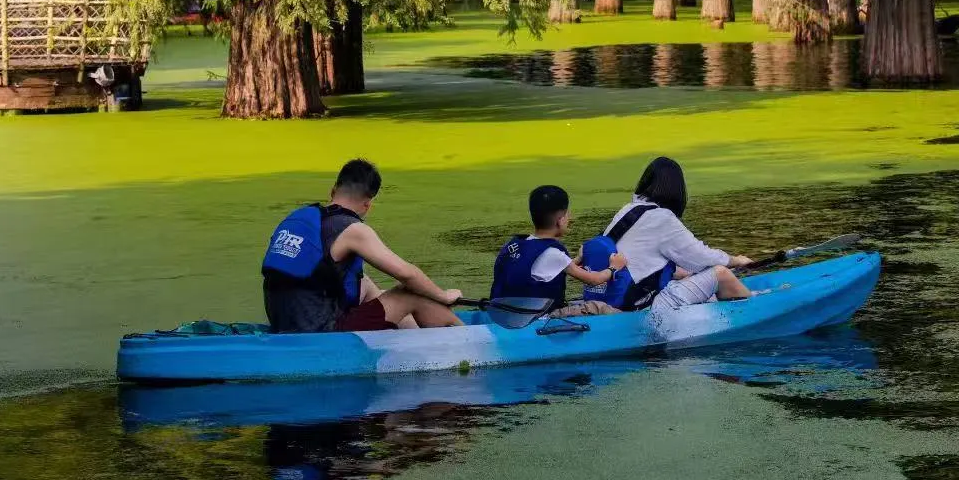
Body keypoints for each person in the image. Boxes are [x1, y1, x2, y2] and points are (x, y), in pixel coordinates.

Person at [262, 158, 463, 334]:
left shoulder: (305, 219)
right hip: (321, 332)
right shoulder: (353, 229)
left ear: (333, 191)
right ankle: (466, 341)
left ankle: (410, 337)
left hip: (286, 323)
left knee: (363, 282)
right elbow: (407, 274)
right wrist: (443, 295)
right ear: (368, 205)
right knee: (410, 292)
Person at [582, 156, 754, 312]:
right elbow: (701, 257)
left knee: (688, 273)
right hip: (639, 306)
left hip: (616, 297)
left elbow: (646, 264)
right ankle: (754, 310)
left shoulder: (627, 210)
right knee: (720, 273)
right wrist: (737, 260)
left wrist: (687, 273)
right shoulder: (661, 218)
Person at [491, 184, 627, 316]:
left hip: (505, 313)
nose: (570, 218)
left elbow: (540, 270)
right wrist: (614, 267)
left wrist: (576, 260)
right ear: (560, 221)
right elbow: (594, 279)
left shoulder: (516, 244)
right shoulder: (554, 253)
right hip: (537, 317)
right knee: (599, 307)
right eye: (568, 215)